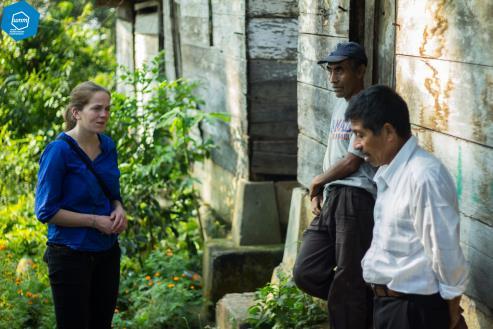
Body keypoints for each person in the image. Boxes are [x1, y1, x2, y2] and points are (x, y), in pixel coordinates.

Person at [345, 85, 468, 329]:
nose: (356, 144)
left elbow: (444, 250)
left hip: (413, 313)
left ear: (389, 132)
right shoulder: (391, 172)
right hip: (390, 307)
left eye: (361, 134)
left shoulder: (424, 176)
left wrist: (452, 309)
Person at [293, 42, 377, 329]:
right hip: (333, 196)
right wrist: (320, 189)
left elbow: (353, 161)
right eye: (330, 71)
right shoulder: (339, 106)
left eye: (339, 70)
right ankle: (367, 303)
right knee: (306, 271)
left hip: (355, 196)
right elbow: (333, 153)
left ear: (360, 70)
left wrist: (317, 181)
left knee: (348, 278)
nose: (332, 79)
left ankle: (358, 307)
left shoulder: (368, 106)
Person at [35, 81, 128, 329]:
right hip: (69, 255)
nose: (104, 115)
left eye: (107, 109)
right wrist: (94, 221)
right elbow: (45, 210)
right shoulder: (58, 152)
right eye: (96, 108)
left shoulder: (107, 146)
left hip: (107, 253)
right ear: (76, 112)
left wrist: (118, 207)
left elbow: (112, 192)